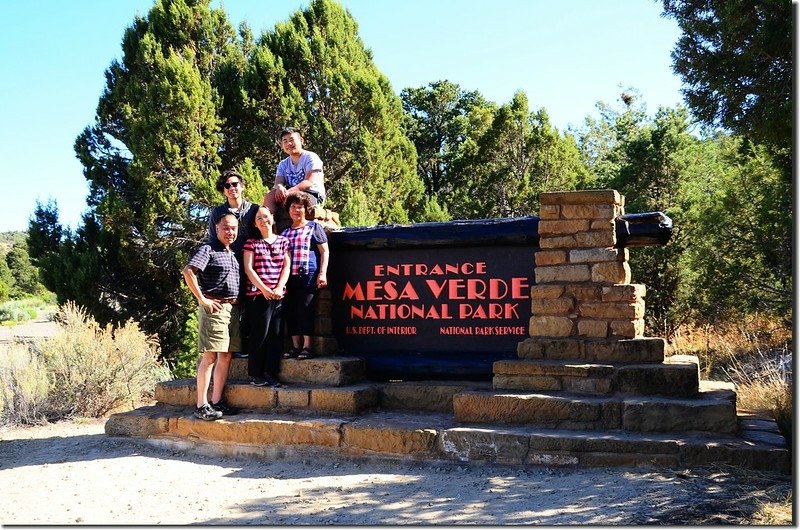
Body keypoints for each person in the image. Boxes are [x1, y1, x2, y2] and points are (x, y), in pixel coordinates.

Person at [183, 213, 241, 420]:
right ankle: (201, 405)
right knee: (209, 357)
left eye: (233, 228)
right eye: (226, 228)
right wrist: (202, 299)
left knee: (225, 356)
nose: (230, 232)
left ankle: (217, 402)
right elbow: (188, 271)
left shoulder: (232, 252)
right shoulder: (208, 249)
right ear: (216, 229)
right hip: (214, 308)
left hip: (231, 310)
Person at [208, 169, 258, 359]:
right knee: (233, 304)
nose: (231, 188)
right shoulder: (218, 212)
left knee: (250, 304)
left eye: (235, 184)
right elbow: (213, 238)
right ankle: (233, 346)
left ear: (242, 186)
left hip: (252, 262)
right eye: (227, 186)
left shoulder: (253, 209)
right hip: (229, 263)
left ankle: (247, 345)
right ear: (223, 190)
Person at [242, 207, 290, 386]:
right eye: (259, 218)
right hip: (258, 295)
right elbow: (249, 268)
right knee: (259, 334)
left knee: (276, 335)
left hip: (278, 295)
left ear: (272, 218)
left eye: (266, 216)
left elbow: (286, 266)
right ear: (255, 223)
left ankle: (271, 372)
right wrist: (263, 289)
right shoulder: (251, 243)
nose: (263, 220)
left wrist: (279, 287)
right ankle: (256, 374)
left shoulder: (284, 241)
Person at [281, 192, 330, 360]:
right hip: (288, 278)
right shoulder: (284, 232)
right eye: (293, 207)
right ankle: (295, 346)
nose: (296, 210)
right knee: (291, 311)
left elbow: (324, 252)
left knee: (306, 309)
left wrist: (322, 273)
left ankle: (307, 347)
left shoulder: (313, 227)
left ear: (305, 209)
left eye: (300, 207)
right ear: (288, 210)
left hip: (307, 275)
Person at [263, 127, 325, 232]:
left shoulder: (311, 157)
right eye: (285, 141)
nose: (288, 144)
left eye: (291, 140)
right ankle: (270, 226)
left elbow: (308, 182)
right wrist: (279, 187)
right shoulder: (283, 163)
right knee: (270, 196)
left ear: (301, 140)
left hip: (311, 194)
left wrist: (288, 192)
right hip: (290, 193)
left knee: (290, 200)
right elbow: (278, 182)